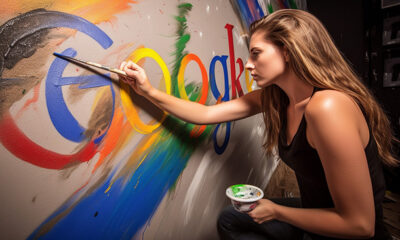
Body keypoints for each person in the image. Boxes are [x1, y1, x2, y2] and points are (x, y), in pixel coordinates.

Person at [119, 9, 398, 240]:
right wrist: (148, 91)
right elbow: (204, 115)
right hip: (318, 212)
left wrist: (278, 212)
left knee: (246, 218)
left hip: (347, 232)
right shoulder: (275, 98)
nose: (248, 65)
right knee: (231, 218)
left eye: (256, 53)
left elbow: (360, 225)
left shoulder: (328, 107)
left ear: (287, 52)